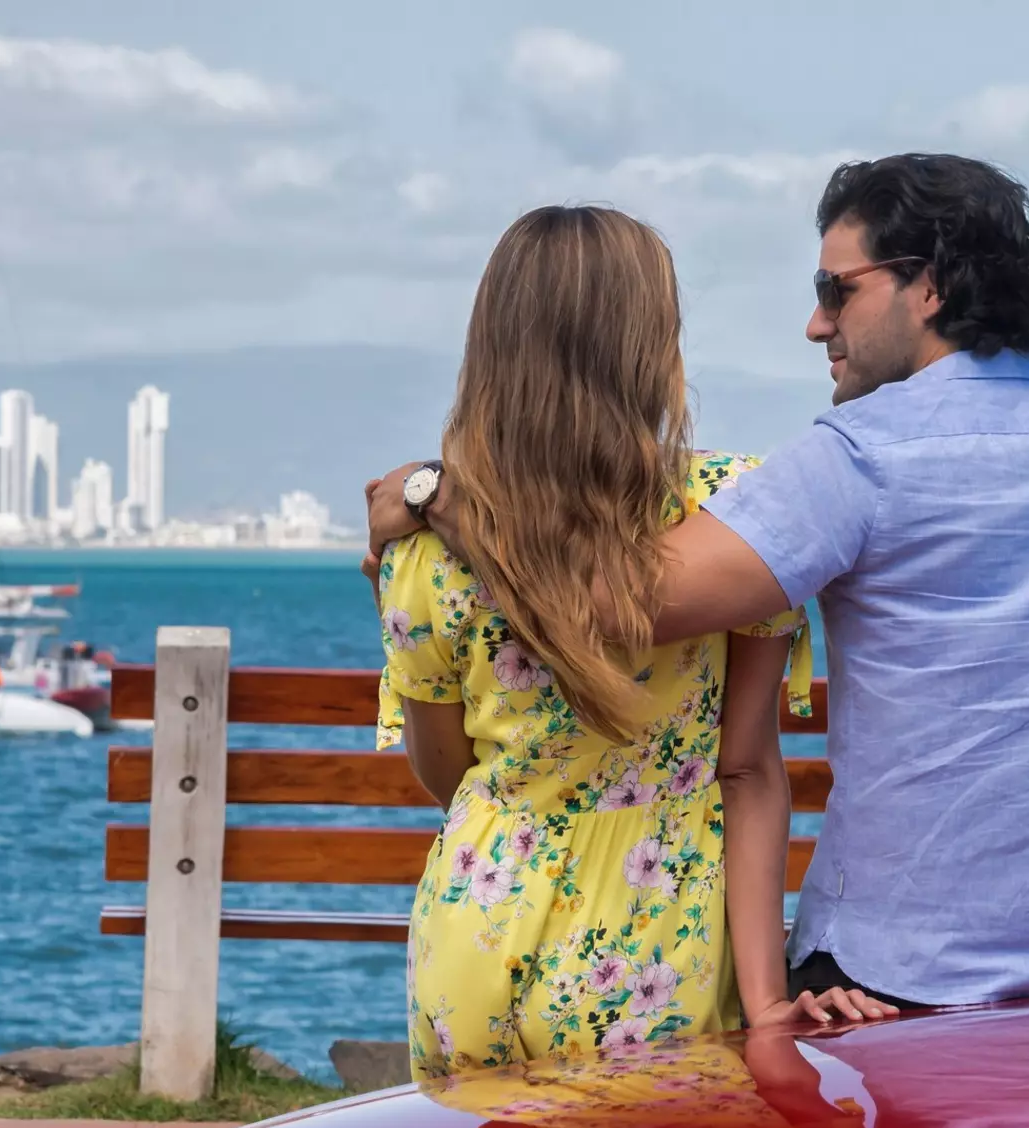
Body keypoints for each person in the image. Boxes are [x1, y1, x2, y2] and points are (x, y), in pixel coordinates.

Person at [368, 153, 1029, 1008]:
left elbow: (610, 606)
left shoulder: (857, 459)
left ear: (931, 286)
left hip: (894, 980)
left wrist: (442, 496)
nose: (816, 324)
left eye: (838, 289)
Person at [378, 206, 896, 1081]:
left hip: (478, 927)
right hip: (660, 942)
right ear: (652, 345)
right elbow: (747, 768)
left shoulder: (426, 544)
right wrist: (767, 1001)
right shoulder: (731, 512)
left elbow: (447, 774)